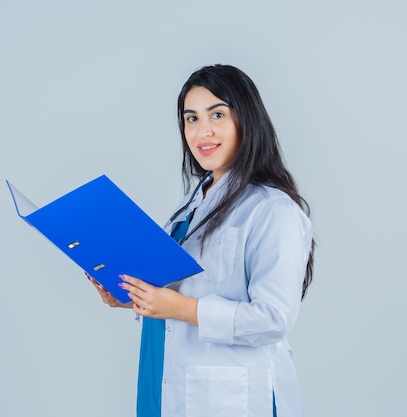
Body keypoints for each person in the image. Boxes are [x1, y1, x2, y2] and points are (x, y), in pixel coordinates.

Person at [88, 64, 315, 417]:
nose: (202, 131)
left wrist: (180, 308)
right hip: (163, 372)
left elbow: (273, 318)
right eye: (191, 119)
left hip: (231, 396)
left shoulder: (272, 209)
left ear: (247, 121)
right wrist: (132, 296)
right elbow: (183, 287)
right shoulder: (193, 202)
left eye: (217, 114)